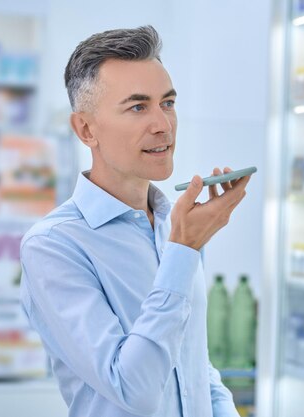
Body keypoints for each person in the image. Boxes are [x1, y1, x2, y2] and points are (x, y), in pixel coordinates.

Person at [19, 26, 251, 417]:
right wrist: (183, 251)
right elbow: (134, 391)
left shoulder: (172, 226)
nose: (163, 124)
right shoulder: (53, 246)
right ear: (86, 129)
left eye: (169, 103)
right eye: (138, 107)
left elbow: (195, 366)